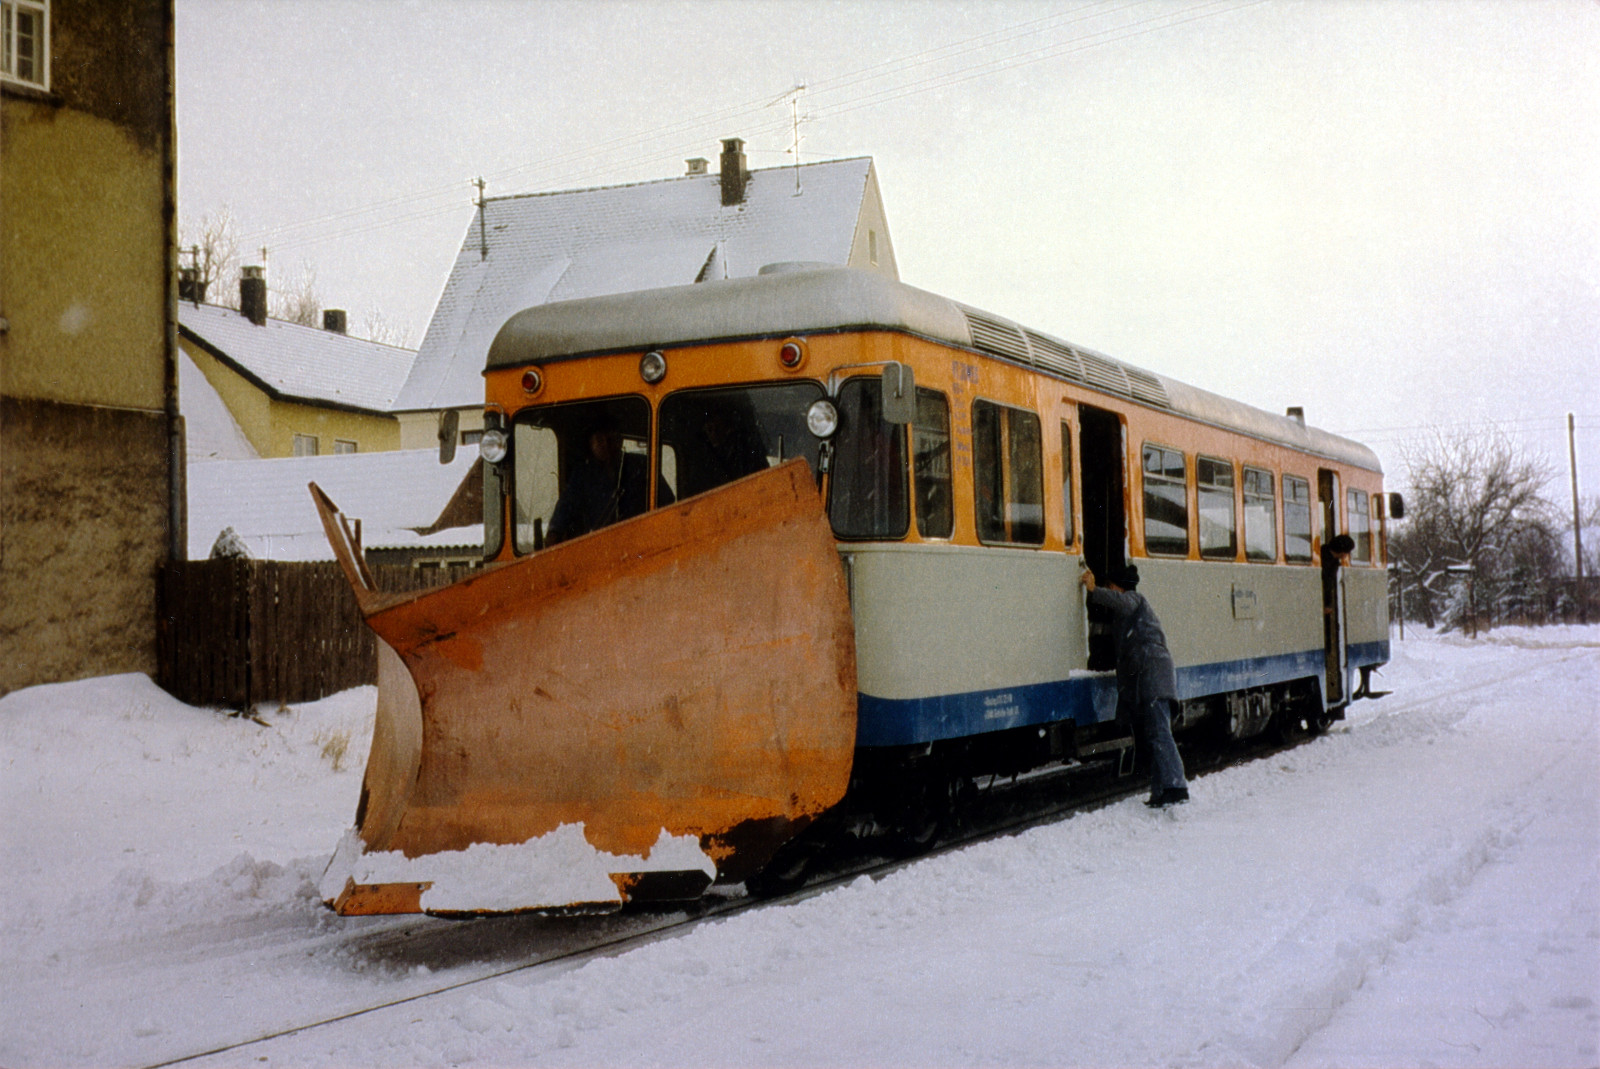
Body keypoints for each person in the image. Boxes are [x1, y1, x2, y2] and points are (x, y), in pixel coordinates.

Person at [1079, 563, 1190, 808]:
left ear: (1119, 587)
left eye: (1111, 586)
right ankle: (1162, 792)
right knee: (1155, 737)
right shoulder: (1128, 619)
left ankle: (1177, 788)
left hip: (1154, 680)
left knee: (1160, 735)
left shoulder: (1134, 600)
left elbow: (1122, 602)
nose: (1109, 589)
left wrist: (1094, 590)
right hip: (1150, 680)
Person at [545, 420, 650, 545]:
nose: (606, 444)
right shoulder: (584, 474)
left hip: (640, 541)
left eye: (611, 439)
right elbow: (567, 505)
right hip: (600, 544)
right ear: (591, 444)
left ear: (620, 441)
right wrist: (554, 531)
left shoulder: (641, 465)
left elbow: (666, 499)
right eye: (600, 440)